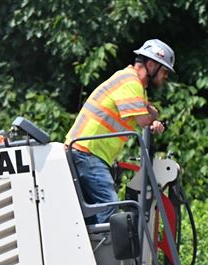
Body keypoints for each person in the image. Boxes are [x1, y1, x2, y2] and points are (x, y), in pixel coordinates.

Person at [66, 39, 175, 224]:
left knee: (95, 216)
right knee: (110, 210)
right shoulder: (130, 82)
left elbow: (150, 113)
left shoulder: (134, 85)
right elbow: (144, 120)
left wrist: (152, 117)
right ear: (151, 65)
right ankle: (112, 253)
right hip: (88, 153)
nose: (165, 76)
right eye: (164, 71)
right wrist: (153, 120)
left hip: (88, 152)